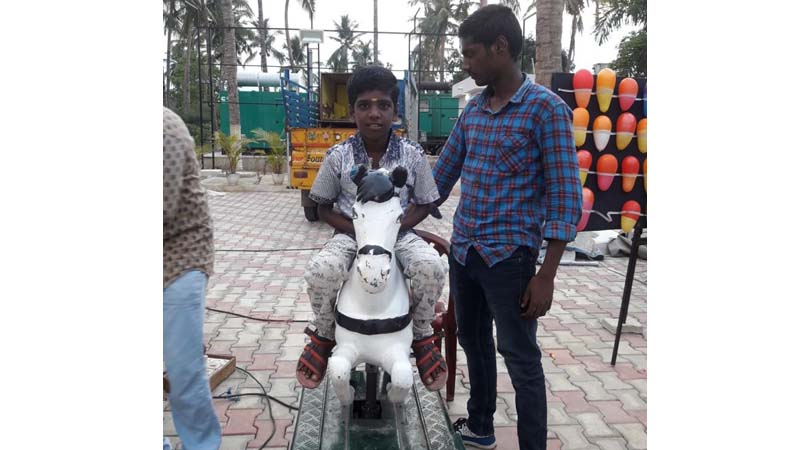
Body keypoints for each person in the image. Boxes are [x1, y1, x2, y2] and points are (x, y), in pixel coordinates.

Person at [432, 5, 582, 450]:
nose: (466, 63)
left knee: (520, 358)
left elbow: (565, 198)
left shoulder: (546, 111)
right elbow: (439, 179)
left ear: (500, 47)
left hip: (510, 262)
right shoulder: (473, 112)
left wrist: (546, 275)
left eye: (471, 53)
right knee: (473, 342)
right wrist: (392, 219)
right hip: (465, 254)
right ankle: (481, 427)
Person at [296, 65, 448, 392]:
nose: (374, 113)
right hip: (350, 234)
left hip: (400, 234)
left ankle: (422, 335)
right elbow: (322, 207)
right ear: (352, 111)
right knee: (321, 271)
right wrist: (362, 232)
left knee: (431, 267)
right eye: (364, 105)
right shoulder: (337, 157)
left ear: (395, 110)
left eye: (383, 105)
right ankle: (324, 332)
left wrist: (390, 230)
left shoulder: (413, 155)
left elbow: (424, 203)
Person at [163, 107, 222, 450]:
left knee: (182, 370)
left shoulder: (164, 129)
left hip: (180, 259)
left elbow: (161, 208)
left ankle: (201, 444)